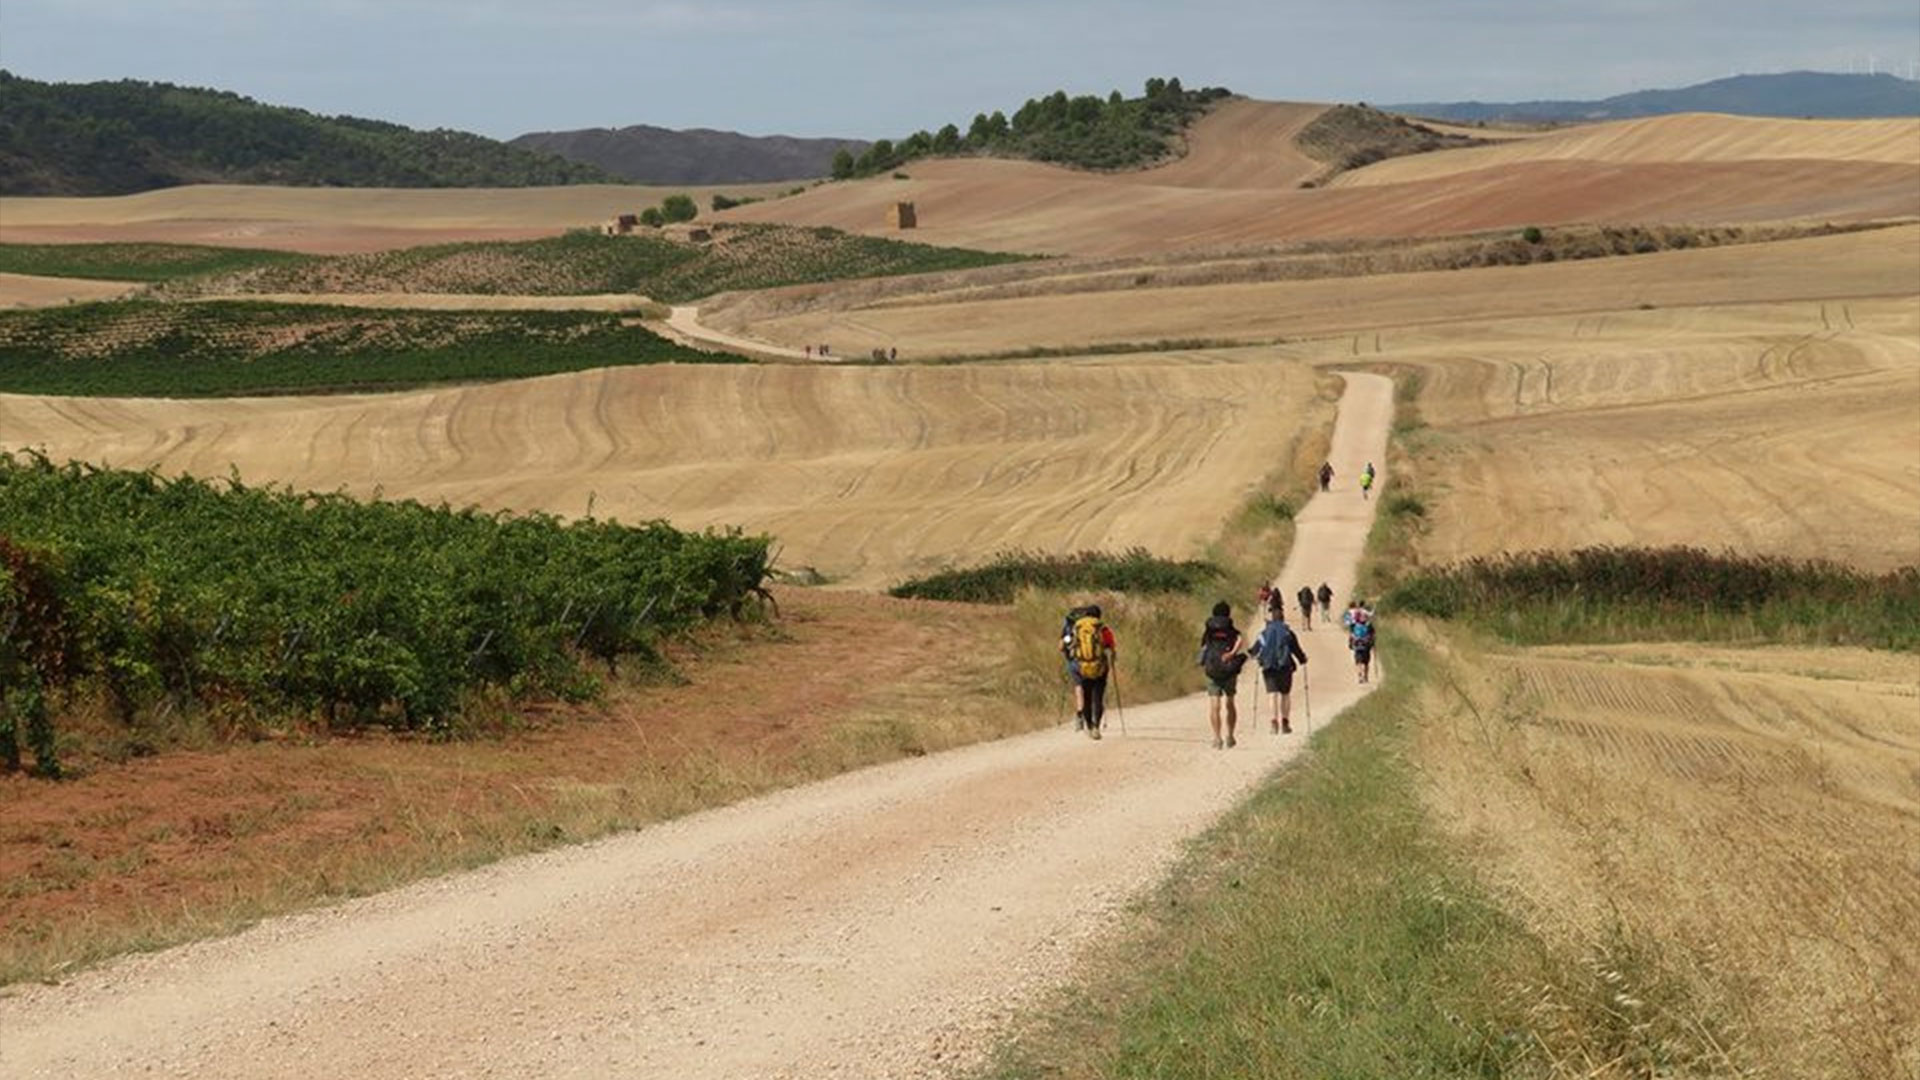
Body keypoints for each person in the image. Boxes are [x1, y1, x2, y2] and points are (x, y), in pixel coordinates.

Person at [1252, 604, 1309, 734]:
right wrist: (1302, 660)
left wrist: (1256, 658)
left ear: (1272, 619)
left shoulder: (1264, 633)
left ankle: (1273, 723)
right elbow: (1296, 650)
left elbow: (1254, 651)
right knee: (1285, 694)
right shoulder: (1288, 632)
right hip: (1285, 666)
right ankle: (1285, 723)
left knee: (1272, 695)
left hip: (1268, 667)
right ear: (1283, 619)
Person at [1061, 604, 1116, 738]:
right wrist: (1112, 660)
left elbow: (1065, 645)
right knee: (1098, 697)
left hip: (1083, 666)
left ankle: (1089, 725)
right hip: (1100, 667)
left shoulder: (1077, 628)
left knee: (1086, 696)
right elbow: (1111, 646)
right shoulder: (1102, 628)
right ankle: (1096, 727)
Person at [1198, 601, 1246, 749]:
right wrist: (1232, 653)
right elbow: (1240, 639)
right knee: (1230, 703)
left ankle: (1217, 738)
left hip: (1212, 669)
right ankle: (1230, 736)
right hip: (1228, 669)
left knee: (1215, 706)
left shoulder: (1209, 628)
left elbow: (1204, 646)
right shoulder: (1230, 627)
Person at [1343, 599, 1376, 684]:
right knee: (1366, 662)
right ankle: (1365, 677)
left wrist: (1350, 644)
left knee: (1358, 662)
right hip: (1366, 645)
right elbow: (1373, 635)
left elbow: (1351, 634)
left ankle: (1359, 676)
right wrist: (1373, 644)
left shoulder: (1354, 625)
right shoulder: (1369, 625)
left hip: (1357, 645)